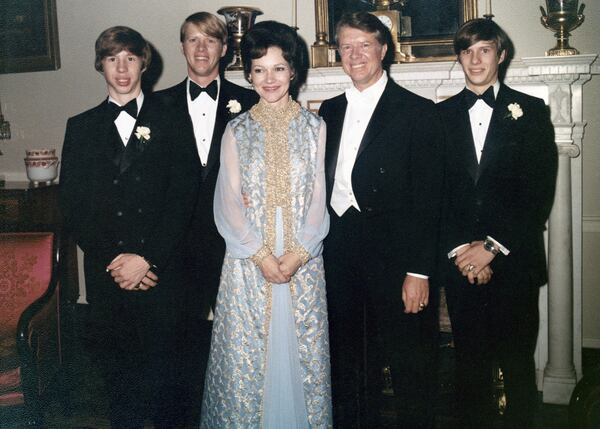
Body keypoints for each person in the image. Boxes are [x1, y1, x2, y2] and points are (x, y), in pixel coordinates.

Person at [59, 26, 197, 428]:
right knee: (118, 383)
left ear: (144, 64)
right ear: (100, 64)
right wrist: (116, 261)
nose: (122, 68)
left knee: (169, 383)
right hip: (109, 274)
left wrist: (147, 258)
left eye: (131, 58)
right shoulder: (80, 126)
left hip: (163, 272)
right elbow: (74, 206)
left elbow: (183, 196)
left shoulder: (172, 119)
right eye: (112, 58)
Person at [200, 21, 332, 428]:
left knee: (299, 357)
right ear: (249, 75)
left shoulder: (316, 127)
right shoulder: (236, 130)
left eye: (278, 68)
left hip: (301, 258)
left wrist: (295, 256)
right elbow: (227, 204)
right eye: (259, 69)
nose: (269, 79)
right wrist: (261, 257)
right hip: (248, 260)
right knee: (249, 361)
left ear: (293, 71)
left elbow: (317, 201)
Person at [318, 11, 444, 429]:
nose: (354, 55)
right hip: (337, 254)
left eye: (364, 45)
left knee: (411, 364)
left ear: (384, 51)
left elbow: (431, 201)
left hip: (397, 257)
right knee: (348, 363)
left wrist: (419, 271)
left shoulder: (417, 111)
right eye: (346, 46)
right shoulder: (326, 112)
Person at [437, 18, 558, 428]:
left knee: (517, 365)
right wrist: (463, 254)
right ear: (459, 57)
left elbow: (538, 192)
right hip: (460, 265)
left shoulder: (531, 111)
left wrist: (490, 248)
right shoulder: (437, 117)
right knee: (468, 368)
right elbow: (436, 195)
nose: (475, 59)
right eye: (467, 51)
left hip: (513, 261)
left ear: (500, 55)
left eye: (484, 49)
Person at [155, 12, 258, 424]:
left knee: (238, 338)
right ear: (181, 47)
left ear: (225, 48)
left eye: (210, 40)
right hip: (173, 244)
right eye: (193, 40)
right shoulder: (155, 106)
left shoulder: (250, 101)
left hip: (231, 240)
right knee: (176, 341)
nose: (201, 49)